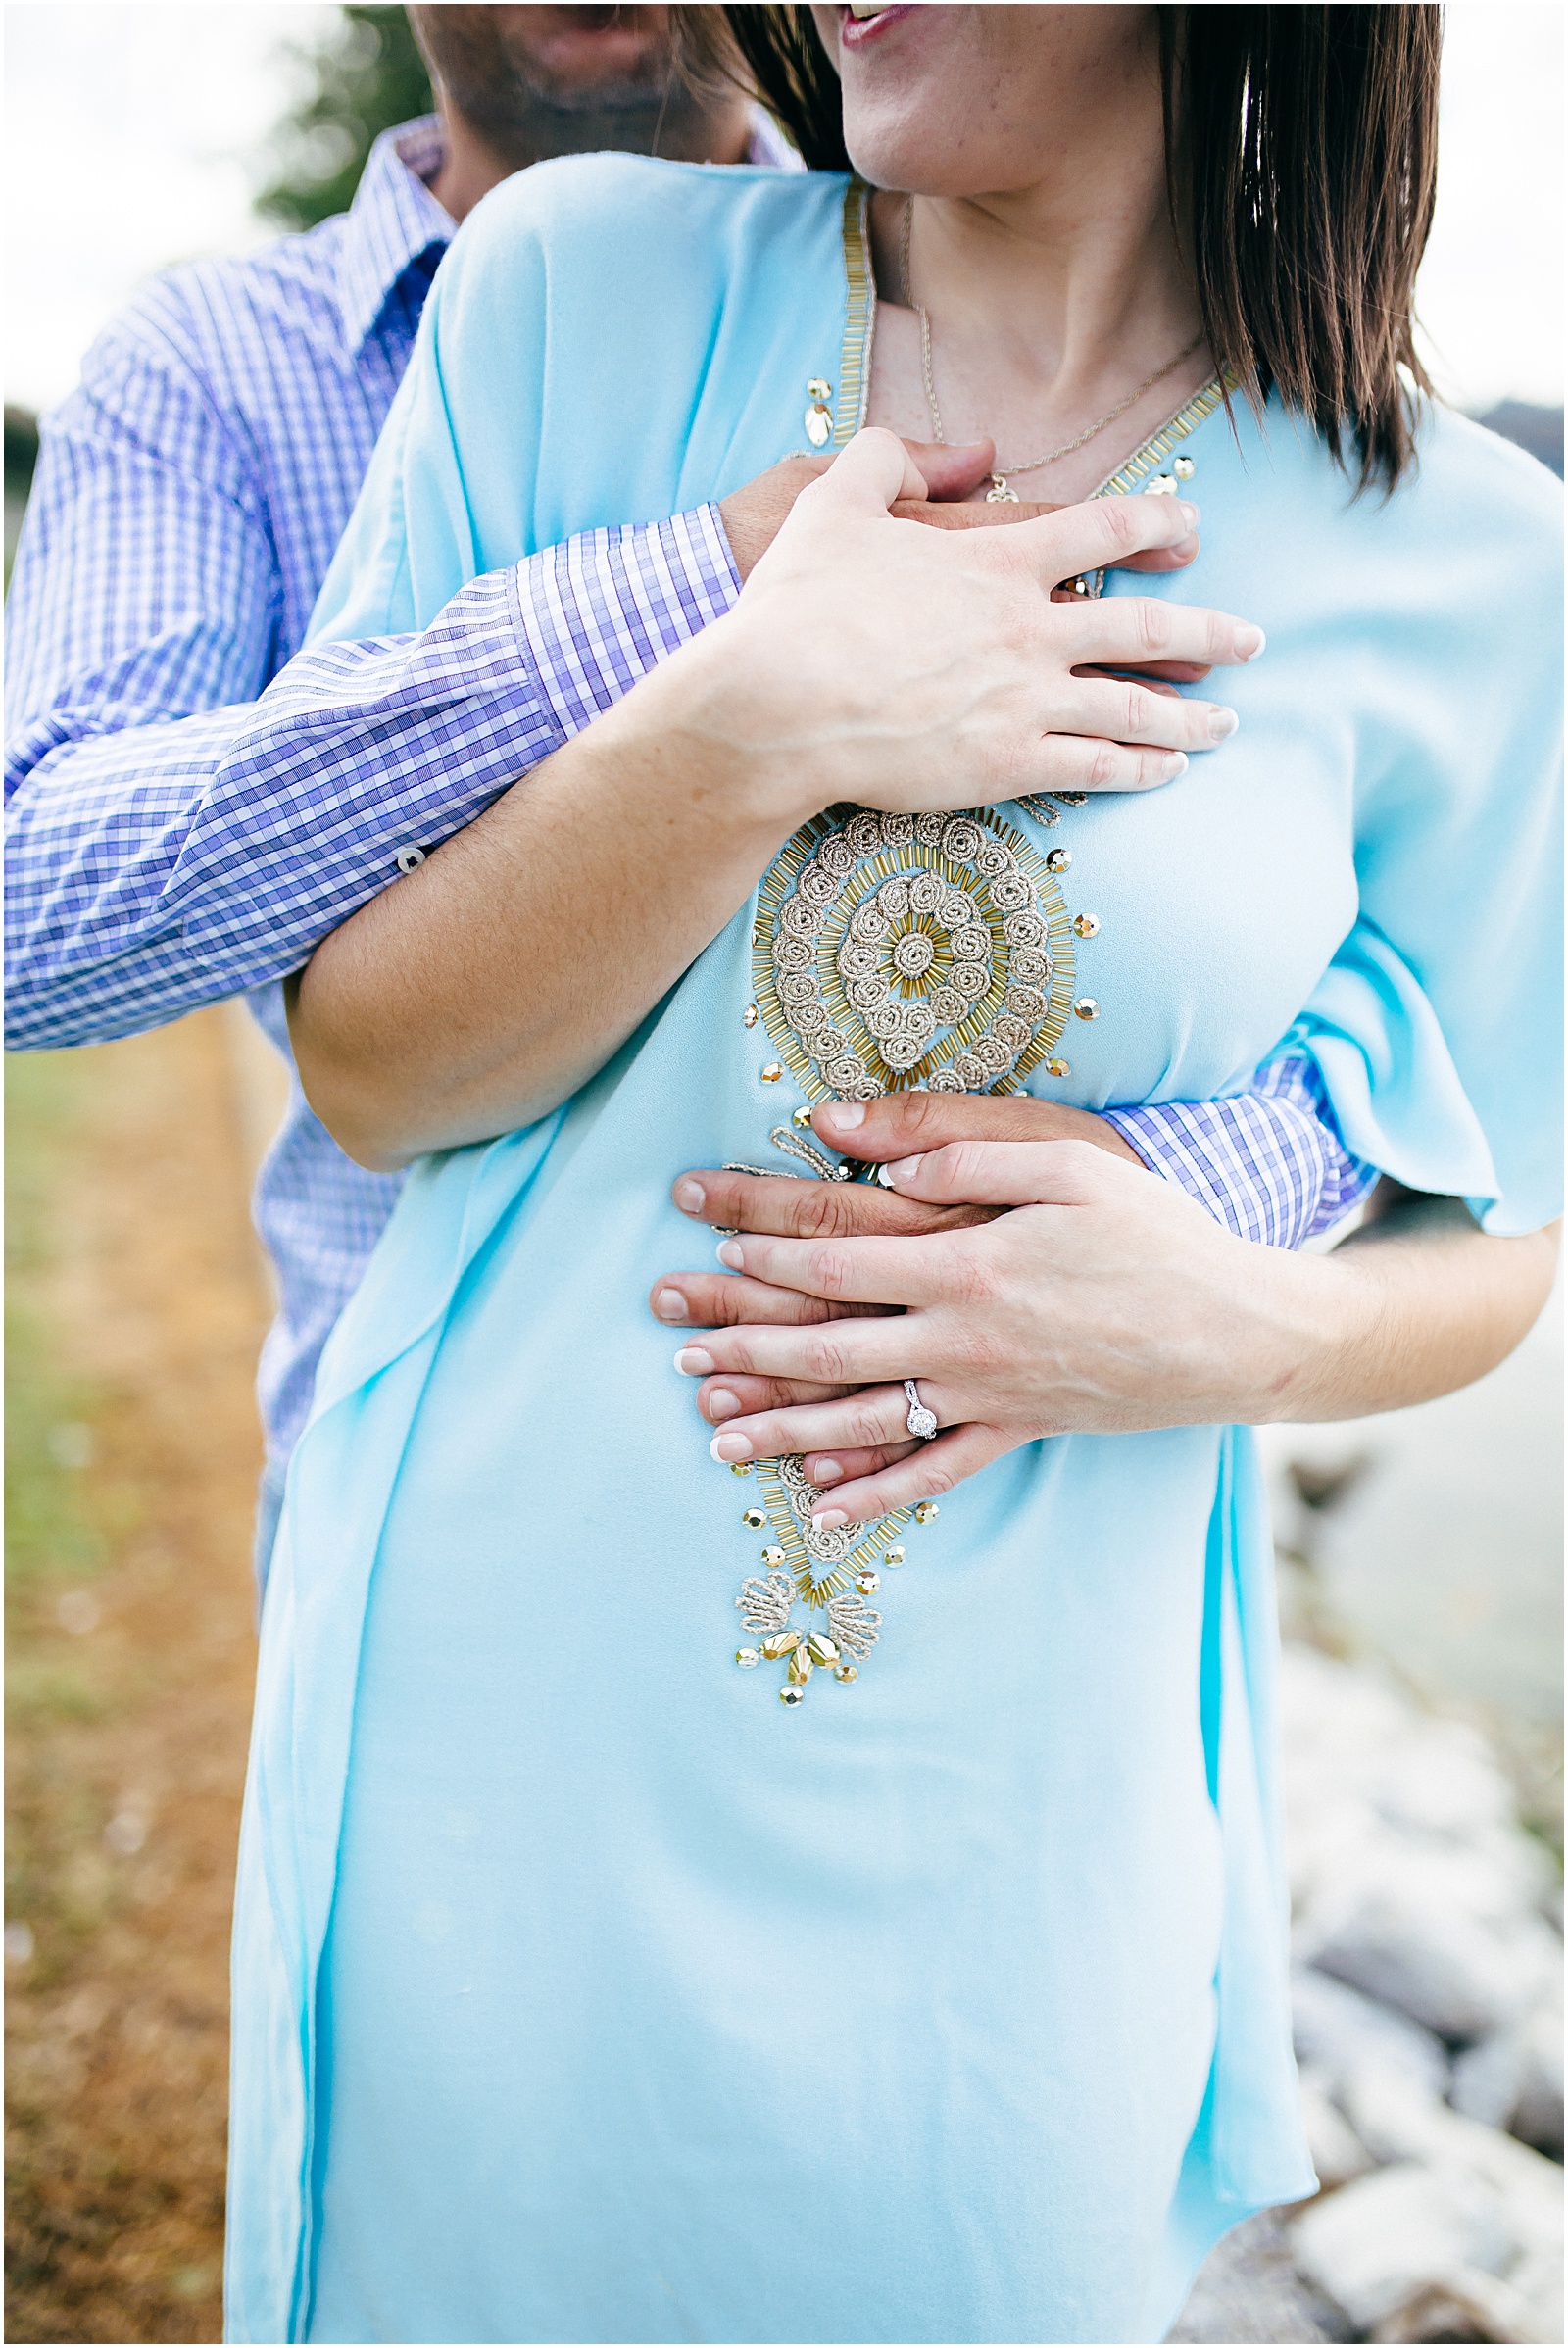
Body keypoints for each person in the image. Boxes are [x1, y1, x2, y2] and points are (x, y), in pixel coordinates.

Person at [226, 6, 1560, 2341]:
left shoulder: (1472, 556)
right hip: (497, 1769)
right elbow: (366, 1067)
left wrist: (1230, 1327)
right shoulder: (571, 302)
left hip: (1015, 1850)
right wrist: (755, 720)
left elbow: (1502, 1240)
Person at [4, 2, 1349, 1597]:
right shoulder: (226, 363)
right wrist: (704, 604)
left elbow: (1385, 1030)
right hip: (439, 1514)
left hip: (1003, 1588)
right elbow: (36, 914)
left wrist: (1169, 1208)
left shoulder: (1075, 336)